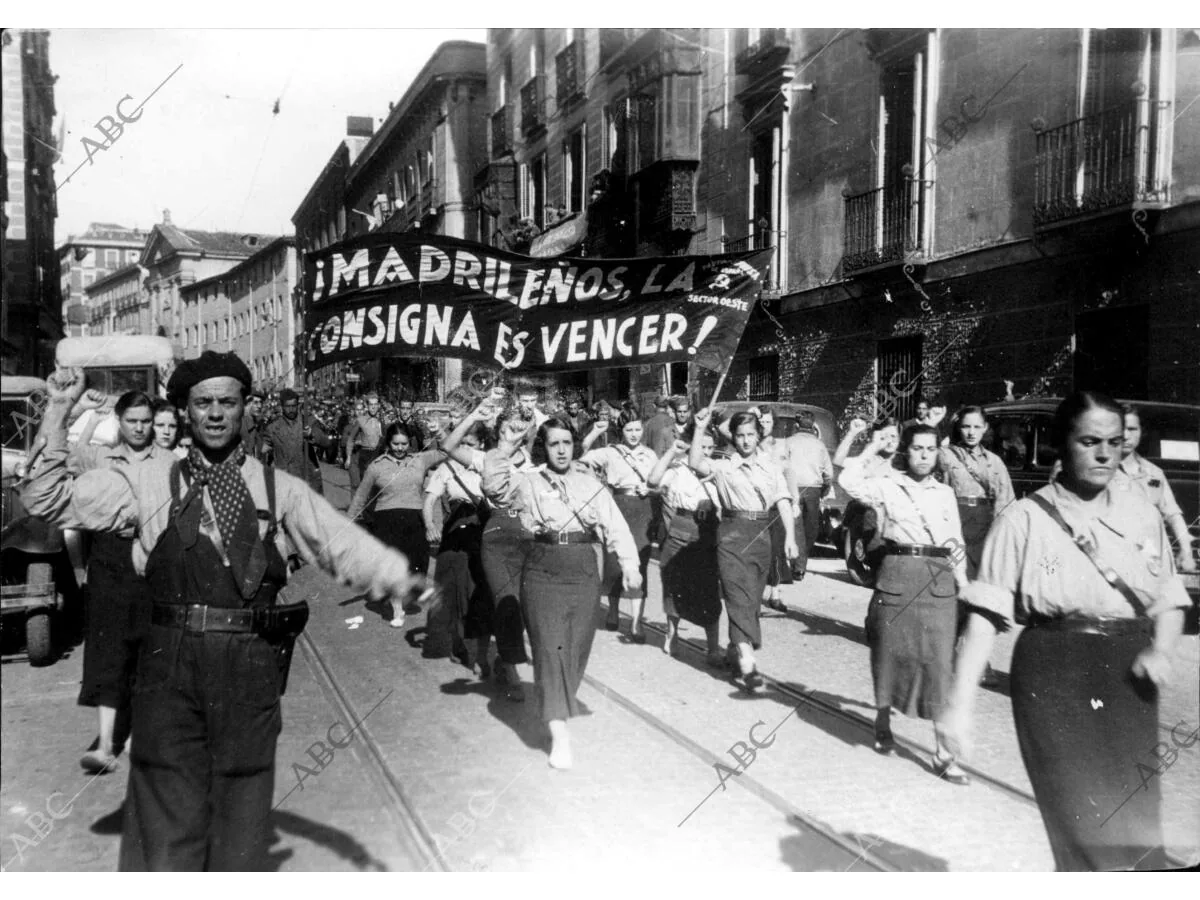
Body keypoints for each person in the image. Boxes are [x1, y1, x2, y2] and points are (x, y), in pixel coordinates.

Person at [21, 352, 423, 871]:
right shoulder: (146, 482)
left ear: (245, 409)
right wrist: (57, 411)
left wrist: (400, 578)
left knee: (242, 830)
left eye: (227, 402)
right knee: (165, 828)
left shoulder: (279, 489)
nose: (215, 413)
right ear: (185, 412)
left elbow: (342, 543)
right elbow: (45, 498)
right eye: (202, 402)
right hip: (169, 669)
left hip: (250, 670)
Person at [944, 392, 1190, 871]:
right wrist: (958, 707)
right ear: (1062, 444)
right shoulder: (1023, 520)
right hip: (1052, 672)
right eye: (1090, 441)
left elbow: (1171, 601)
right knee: (1083, 827)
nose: (1105, 454)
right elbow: (983, 619)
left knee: (1136, 831)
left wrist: (1161, 650)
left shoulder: (1142, 512)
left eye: (1115, 443)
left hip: (1129, 678)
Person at [481, 413, 641, 769]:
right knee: (550, 650)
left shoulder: (590, 485)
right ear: (543, 447)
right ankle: (560, 734)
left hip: (583, 568)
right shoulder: (529, 482)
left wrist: (630, 565)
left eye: (567, 442)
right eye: (554, 443)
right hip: (542, 569)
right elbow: (493, 486)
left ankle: (555, 707)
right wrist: (505, 445)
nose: (562, 450)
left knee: (576, 651)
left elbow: (614, 525)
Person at [839, 423, 969, 783]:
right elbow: (847, 481)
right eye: (917, 449)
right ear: (904, 452)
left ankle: (944, 754)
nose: (924, 455)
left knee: (939, 665)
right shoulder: (887, 485)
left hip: (938, 579)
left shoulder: (945, 493)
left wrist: (964, 583)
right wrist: (871, 446)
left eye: (930, 449)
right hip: (898, 574)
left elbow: (954, 539)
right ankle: (883, 719)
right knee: (889, 654)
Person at [69, 390, 174, 775]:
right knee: (107, 648)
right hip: (109, 562)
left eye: (146, 421)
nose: (141, 428)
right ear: (120, 420)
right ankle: (106, 743)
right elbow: (67, 449)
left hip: (150, 560)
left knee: (150, 647)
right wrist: (90, 415)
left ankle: (138, 735)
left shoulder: (167, 461)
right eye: (132, 421)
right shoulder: (102, 457)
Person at [688, 407, 797, 690]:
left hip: (762, 535)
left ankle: (736, 650)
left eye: (751, 435)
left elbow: (783, 501)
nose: (746, 441)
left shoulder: (771, 467)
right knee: (737, 597)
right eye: (740, 435)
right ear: (733, 438)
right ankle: (748, 664)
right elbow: (696, 462)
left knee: (751, 601)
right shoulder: (724, 466)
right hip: (732, 535)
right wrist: (699, 429)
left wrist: (790, 538)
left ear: (759, 435)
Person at [443, 402, 534, 702]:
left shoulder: (532, 461)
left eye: (520, 429)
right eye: (508, 428)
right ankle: (512, 670)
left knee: (522, 605)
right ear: (498, 430)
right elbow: (448, 445)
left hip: (528, 537)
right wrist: (473, 416)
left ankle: (503, 659)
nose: (514, 435)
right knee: (507, 602)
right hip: (496, 538)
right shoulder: (484, 458)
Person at [346, 422, 444, 627]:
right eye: (396, 444)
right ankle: (397, 609)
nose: (400, 449)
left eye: (404, 444)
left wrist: (440, 432)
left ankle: (401, 596)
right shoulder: (376, 466)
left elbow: (446, 451)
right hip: (387, 521)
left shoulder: (419, 459)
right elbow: (360, 496)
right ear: (388, 443)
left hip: (415, 520)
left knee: (417, 566)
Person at [580, 407, 658, 641]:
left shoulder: (650, 454)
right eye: (628, 429)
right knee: (615, 562)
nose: (634, 434)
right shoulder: (611, 452)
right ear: (621, 430)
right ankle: (613, 612)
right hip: (618, 506)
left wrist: (652, 489)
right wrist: (595, 432)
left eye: (637, 429)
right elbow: (582, 453)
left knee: (640, 565)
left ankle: (636, 624)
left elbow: (659, 480)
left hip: (644, 509)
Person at [421, 420, 494, 669]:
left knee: (479, 592)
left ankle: (480, 652)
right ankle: (459, 643)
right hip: (456, 531)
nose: (463, 448)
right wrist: (430, 524)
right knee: (453, 590)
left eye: (469, 444)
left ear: (481, 445)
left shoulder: (488, 463)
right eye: (460, 443)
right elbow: (429, 499)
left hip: (485, 531)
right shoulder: (447, 467)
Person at [648, 432, 723, 665]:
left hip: (708, 531)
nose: (706, 452)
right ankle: (672, 634)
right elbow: (652, 481)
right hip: (681, 526)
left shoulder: (720, 469)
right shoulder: (679, 469)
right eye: (702, 447)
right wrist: (672, 451)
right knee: (673, 584)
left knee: (709, 589)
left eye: (710, 448)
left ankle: (713, 648)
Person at [1114, 403, 1197, 574]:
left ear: (1141, 432)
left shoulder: (1153, 473)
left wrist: (1186, 551)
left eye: (1132, 429)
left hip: (1146, 559)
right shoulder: (1099, 469)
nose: (1125, 435)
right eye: (1120, 429)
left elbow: (1172, 514)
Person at [782, 410, 833, 580]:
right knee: (811, 528)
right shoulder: (820, 445)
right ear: (813, 427)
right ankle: (800, 565)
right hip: (813, 489)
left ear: (796, 426)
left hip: (793, 488)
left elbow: (782, 466)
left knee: (796, 527)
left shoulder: (787, 443)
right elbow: (829, 472)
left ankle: (798, 564)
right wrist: (826, 487)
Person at [754, 408, 794, 612]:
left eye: (768, 422)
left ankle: (775, 594)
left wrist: (793, 502)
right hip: (756, 506)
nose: (764, 426)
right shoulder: (750, 445)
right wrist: (750, 413)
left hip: (777, 505)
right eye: (760, 422)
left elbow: (789, 473)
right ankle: (757, 596)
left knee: (777, 550)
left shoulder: (781, 446)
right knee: (759, 550)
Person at [261, 389, 332, 497]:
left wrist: (312, 434)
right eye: (287, 406)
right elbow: (262, 449)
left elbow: (326, 442)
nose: (291, 409)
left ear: (298, 405)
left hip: (308, 479)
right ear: (282, 406)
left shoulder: (308, 423)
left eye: (294, 406)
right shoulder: (273, 428)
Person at [343, 392, 384, 492]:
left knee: (378, 487)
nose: (373, 407)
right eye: (371, 405)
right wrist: (348, 457)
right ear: (367, 406)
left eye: (375, 405)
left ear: (378, 406)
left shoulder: (382, 420)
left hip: (378, 455)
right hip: (365, 455)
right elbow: (351, 439)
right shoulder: (361, 420)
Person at [240, 390, 265, 459]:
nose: (259, 406)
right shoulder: (239, 426)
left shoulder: (258, 424)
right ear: (247, 404)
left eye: (261, 402)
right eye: (256, 402)